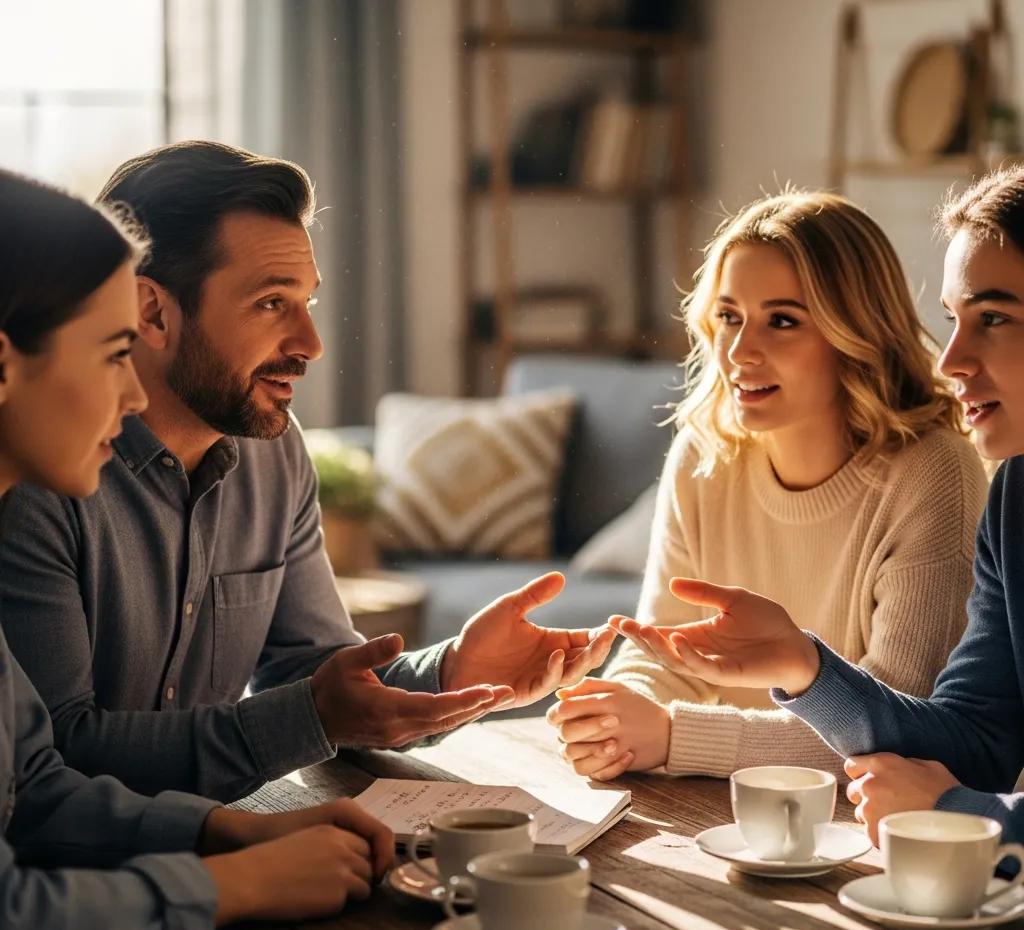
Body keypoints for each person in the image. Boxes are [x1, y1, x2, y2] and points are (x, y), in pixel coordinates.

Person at [0, 141, 613, 803]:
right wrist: (290, 763)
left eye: (308, 304)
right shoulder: (40, 473)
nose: (310, 346)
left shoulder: (274, 450)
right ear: (152, 312)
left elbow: (315, 675)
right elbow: (52, 757)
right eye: (270, 304)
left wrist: (453, 670)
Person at [0, 168, 401, 930]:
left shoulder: (272, 458)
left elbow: (34, 788)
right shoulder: (38, 504)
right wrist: (235, 885)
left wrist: (234, 832)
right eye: (113, 355)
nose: (136, 391)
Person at [612, 167, 1024, 845]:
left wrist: (965, 812)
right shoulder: (1015, 499)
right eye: (954, 320)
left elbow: (950, 761)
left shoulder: (940, 471)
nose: (951, 360)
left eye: (994, 318)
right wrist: (806, 668)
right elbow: (977, 739)